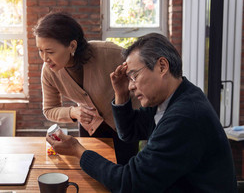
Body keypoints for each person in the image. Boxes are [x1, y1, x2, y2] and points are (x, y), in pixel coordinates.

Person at [46, 33, 237, 192]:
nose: (131, 86)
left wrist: (78, 151)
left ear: (162, 66)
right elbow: (130, 133)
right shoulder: (173, 97)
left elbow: (129, 183)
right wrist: (120, 94)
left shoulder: (185, 116)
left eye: (134, 76)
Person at [33, 11, 140, 165]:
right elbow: (49, 109)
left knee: (125, 175)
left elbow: (142, 73)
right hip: (91, 128)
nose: (44, 58)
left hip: (125, 126)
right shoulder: (49, 71)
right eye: (40, 50)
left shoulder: (110, 53)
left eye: (50, 52)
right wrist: (73, 112)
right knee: (92, 174)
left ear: (72, 46)